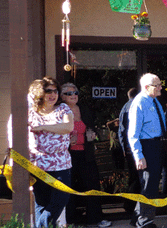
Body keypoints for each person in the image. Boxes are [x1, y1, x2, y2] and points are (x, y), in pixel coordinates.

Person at [60, 83, 111, 228]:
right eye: (69, 93)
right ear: (62, 96)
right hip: (67, 156)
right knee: (68, 188)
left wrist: (92, 134)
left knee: (92, 185)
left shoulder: (84, 109)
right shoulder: (59, 111)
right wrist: (67, 141)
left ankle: (95, 219)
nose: (74, 95)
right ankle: (71, 221)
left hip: (85, 154)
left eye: (75, 92)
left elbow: (91, 126)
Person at [28, 77, 74, 228]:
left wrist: (43, 127)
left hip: (61, 164)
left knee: (60, 200)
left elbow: (67, 127)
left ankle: (40, 226)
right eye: (48, 91)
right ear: (39, 93)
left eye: (55, 91)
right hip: (38, 164)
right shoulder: (30, 113)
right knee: (41, 204)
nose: (53, 94)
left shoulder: (63, 109)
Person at [128, 74, 166, 228]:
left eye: (159, 84)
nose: (160, 87)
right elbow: (133, 133)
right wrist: (139, 155)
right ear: (146, 87)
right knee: (149, 185)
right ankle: (145, 222)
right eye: (157, 85)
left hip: (156, 145)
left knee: (151, 184)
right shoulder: (139, 103)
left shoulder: (154, 100)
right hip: (147, 146)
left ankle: (137, 218)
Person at [118, 87, 141, 216]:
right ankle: (130, 205)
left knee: (134, 177)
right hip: (133, 148)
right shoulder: (133, 107)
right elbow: (126, 130)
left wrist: (124, 148)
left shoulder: (125, 107)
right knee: (137, 178)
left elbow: (121, 130)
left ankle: (130, 204)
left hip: (128, 148)